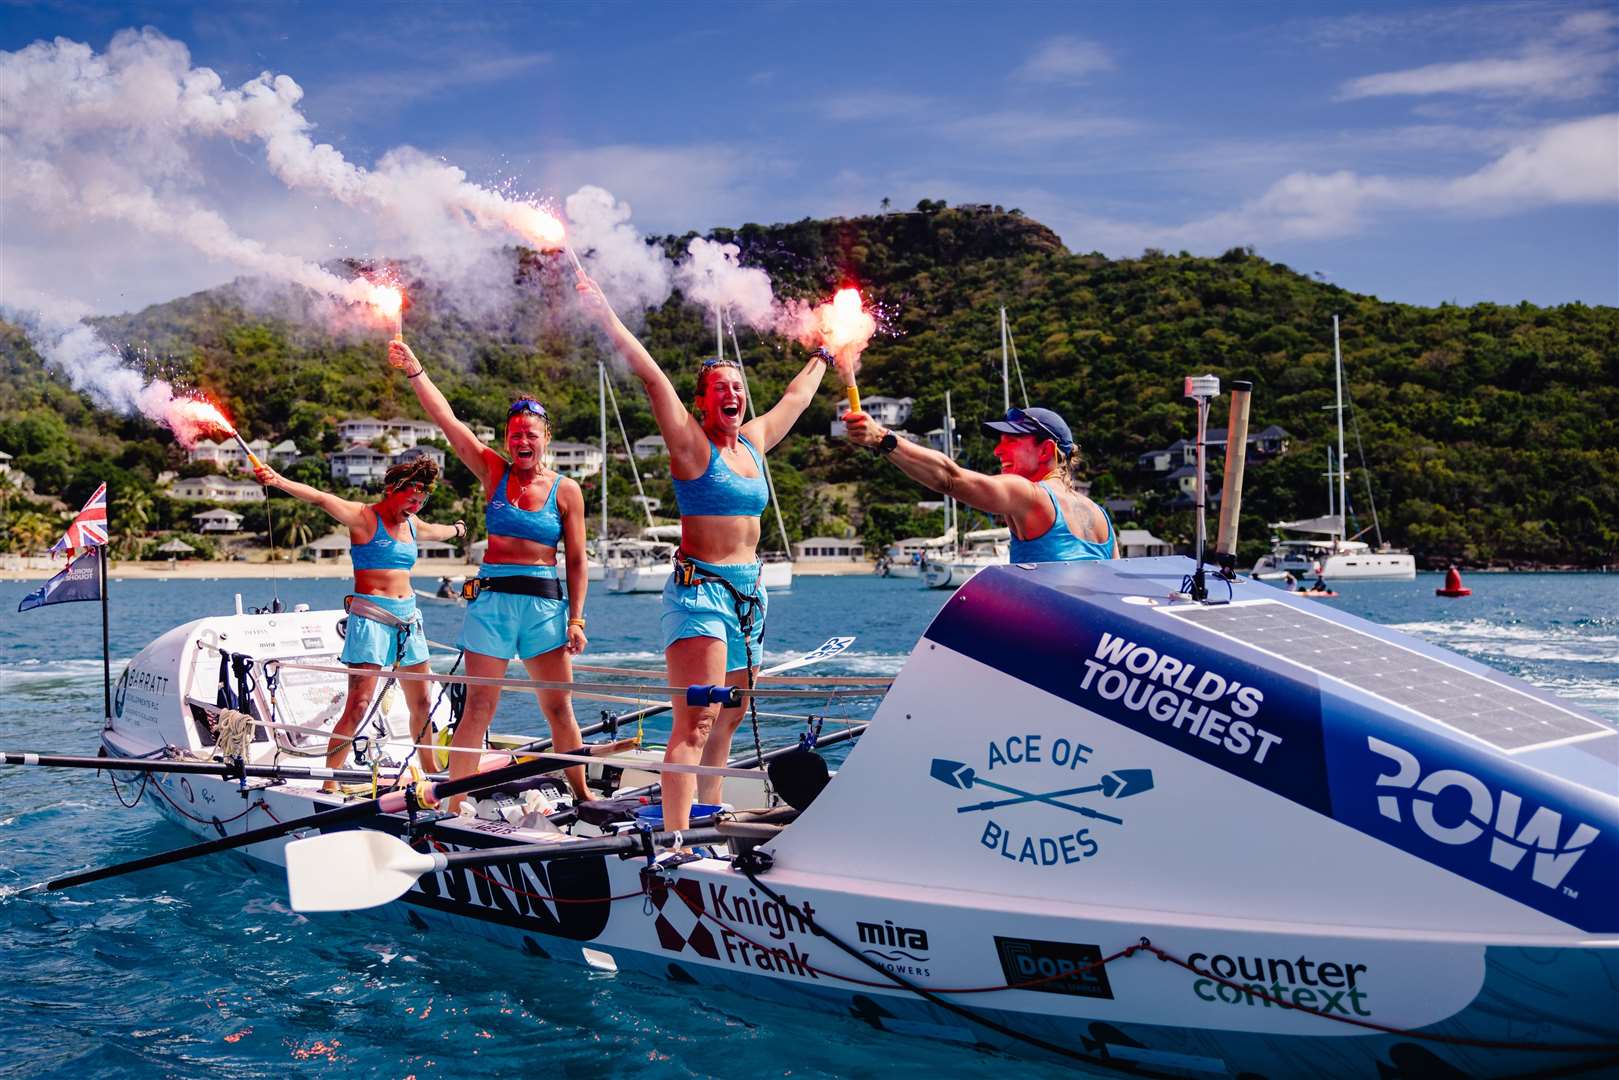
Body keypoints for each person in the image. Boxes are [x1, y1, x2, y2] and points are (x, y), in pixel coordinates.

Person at [577, 272, 829, 842]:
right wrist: (606, 315)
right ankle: (673, 837)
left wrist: (824, 351)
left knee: (733, 709)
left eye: (737, 389)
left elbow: (798, 396)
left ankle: (710, 807)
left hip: (748, 592)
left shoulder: (756, 443)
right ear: (702, 402)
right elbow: (650, 377)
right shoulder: (692, 445)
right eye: (720, 390)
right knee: (699, 716)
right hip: (700, 591)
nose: (731, 396)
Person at [388, 338, 591, 809]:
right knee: (479, 706)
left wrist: (577, 619)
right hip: (492, 604)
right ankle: (455, 804)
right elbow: (447, 421)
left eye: (531, 434)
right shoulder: (492, 472)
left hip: (544, 607)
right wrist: (416, 368)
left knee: (558, 707)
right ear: (507, 439)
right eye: (515, 434)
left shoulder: (567, 491)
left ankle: (582, 793)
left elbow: (577, 560)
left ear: (545, 439)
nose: (522, 441)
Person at [252, 457, 464, 788]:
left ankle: (432, 771)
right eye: (411, 499)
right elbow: (320, 497)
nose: (415, 506)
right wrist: (277, 480)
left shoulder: (412, 523)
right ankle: (330, 781)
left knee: (422, 702)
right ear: (393, 491)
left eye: (421, 502)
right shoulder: (364, 517)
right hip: (372, 620)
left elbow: (436, 530)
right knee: (359, 705)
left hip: (409, 620)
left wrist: (458, 528)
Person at [844, 405, 1116, 562]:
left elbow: (951, 480)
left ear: (1046, 451)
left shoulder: (1028, 494)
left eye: (1010, 441)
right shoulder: (1101, 517)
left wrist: (881, 438)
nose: (998, 451)